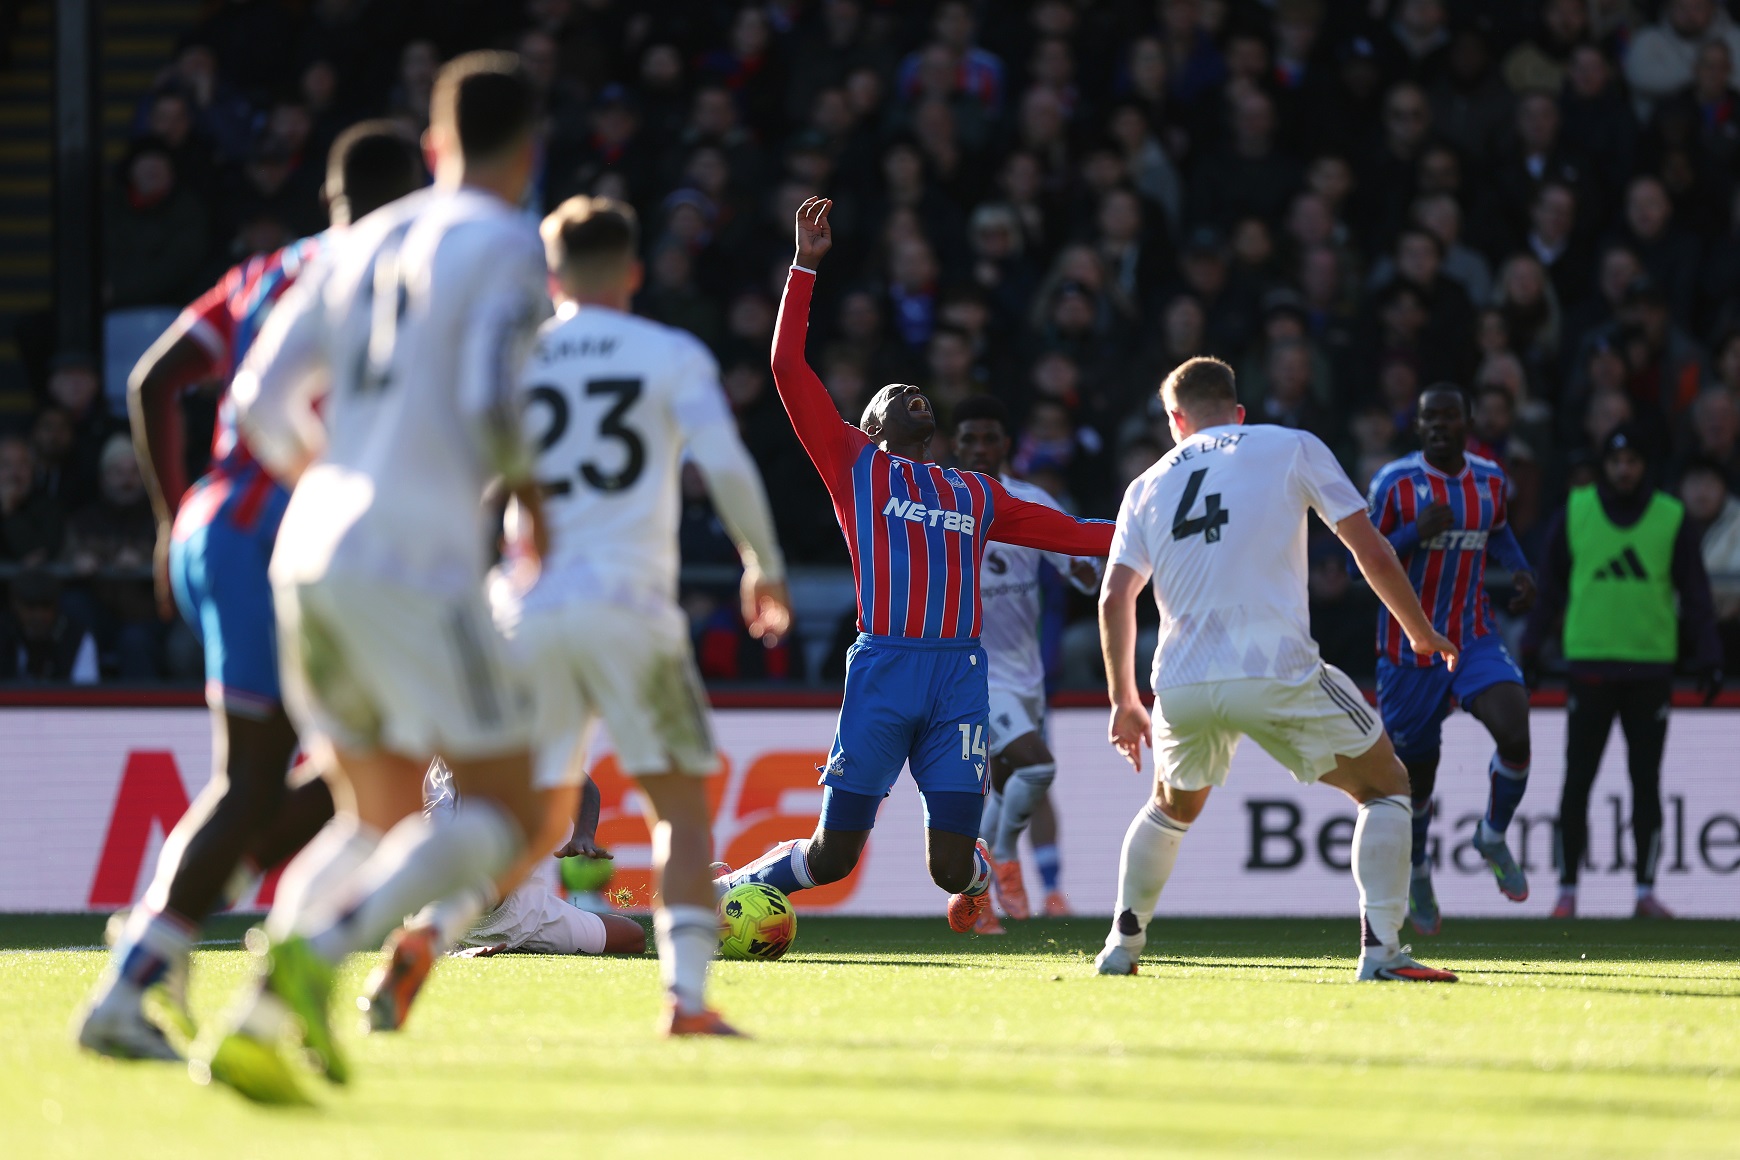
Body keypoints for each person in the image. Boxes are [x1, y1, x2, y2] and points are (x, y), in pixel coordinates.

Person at [203, 52, 557, 1104]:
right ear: (528, 151)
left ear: (435, 144)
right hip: (418, 555)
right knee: (511, 812)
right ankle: (315, 958)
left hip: (310, 548)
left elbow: (257, 398)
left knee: (374, 816)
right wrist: (534, 511)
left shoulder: (356, 242)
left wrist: (328, 476)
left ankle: (256, 1022)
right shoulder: (506, 243)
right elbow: (496, 407)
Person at [375, 196, 792, 1037]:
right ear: (633, 273)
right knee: (678, 807)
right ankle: (686, 1002)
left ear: (552, 278)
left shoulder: (514, 356)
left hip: (524, 606)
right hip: (629, 604)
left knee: (525, 814)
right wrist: (764, 564)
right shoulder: (670, 353)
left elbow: (464, 478)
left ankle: (426, 934)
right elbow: (726, 464)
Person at [74, 122, 425, 1063]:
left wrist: (167, 520)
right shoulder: (397, 273)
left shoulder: (265, 271)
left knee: (356, 768)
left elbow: (155, 380)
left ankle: (169, 928)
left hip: (214, 525)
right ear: (413, 197)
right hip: (274, 536)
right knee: (275, 776)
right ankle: (132, 982)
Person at [717, 199, 1113, 932]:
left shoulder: (977, 492)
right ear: (869, 427)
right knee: (834, 856)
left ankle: (980, 874)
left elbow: (1076, 535)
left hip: (960, 676)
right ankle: (732, 888)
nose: (907, 390)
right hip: (886, 667)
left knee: (949, 868)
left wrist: (1159, 527)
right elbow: (786, 367)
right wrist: (804, 268)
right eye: (889, 394)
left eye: (914, 390)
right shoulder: (854, 465)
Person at [1096, 356, 1460, 982]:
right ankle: (1382, 953)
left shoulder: (1146, 484)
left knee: (1170, 807)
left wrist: (1123, 700)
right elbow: (1368, 549)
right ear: (1238, 412)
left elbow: (1113, 598)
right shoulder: (1292, 446)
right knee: (1386, 786)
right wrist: (1418, 630)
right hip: (1274, 666)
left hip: (1181, 679)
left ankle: (1120, 947)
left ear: (1176, 421)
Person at [1524, 426, 1724, 919]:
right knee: (1578, 781)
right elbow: (1549, 588)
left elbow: (1695, 592)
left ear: (1645, 466)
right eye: (1617, 461)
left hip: (1647, 668)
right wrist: (1529, 645)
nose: (1624, 469)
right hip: (1591, 665)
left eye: (1633, 460)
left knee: (1645, 782)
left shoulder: (1669, 516)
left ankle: (1644, 892)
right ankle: (1567, 890)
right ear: (1605, 465)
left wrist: (1709, 654)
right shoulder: (1577, 511)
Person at [1366, 387, 1538, 936]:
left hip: (1471, 635)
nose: (1440, 426)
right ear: (1418, 427)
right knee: (1417, 779)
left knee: (1515, 730)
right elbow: (1356, 564)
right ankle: (1418, 869)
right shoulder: (1393, 484)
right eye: (1430, 418)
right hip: (1408, 649)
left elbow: (1499, 531)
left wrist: (1519, 568)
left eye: (1449, 416)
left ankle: (1492, 834)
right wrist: (1414, 532)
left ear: (1467, 423)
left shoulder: (1489, 480)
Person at [950, 394, 1100, 929]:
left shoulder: (1031, 500)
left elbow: (1082, 566)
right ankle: (1005, 861)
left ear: (1006, 445)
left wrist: (1085, 570)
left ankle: (980, 897)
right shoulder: (938, 507)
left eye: (989, 438)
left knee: (1008, 783)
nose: (980, 448)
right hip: (971, 673)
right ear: (954, 446)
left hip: (1028, 673)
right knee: (1035, 766)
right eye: (970, 439)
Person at [420, 760, 645, 958]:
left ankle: (463, 940)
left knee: (634, 937)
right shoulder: (457, 764)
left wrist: (583, 835)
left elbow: (583, 785)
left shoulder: (523, 742)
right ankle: (453, 937)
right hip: (450, 907)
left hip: (523, 914)